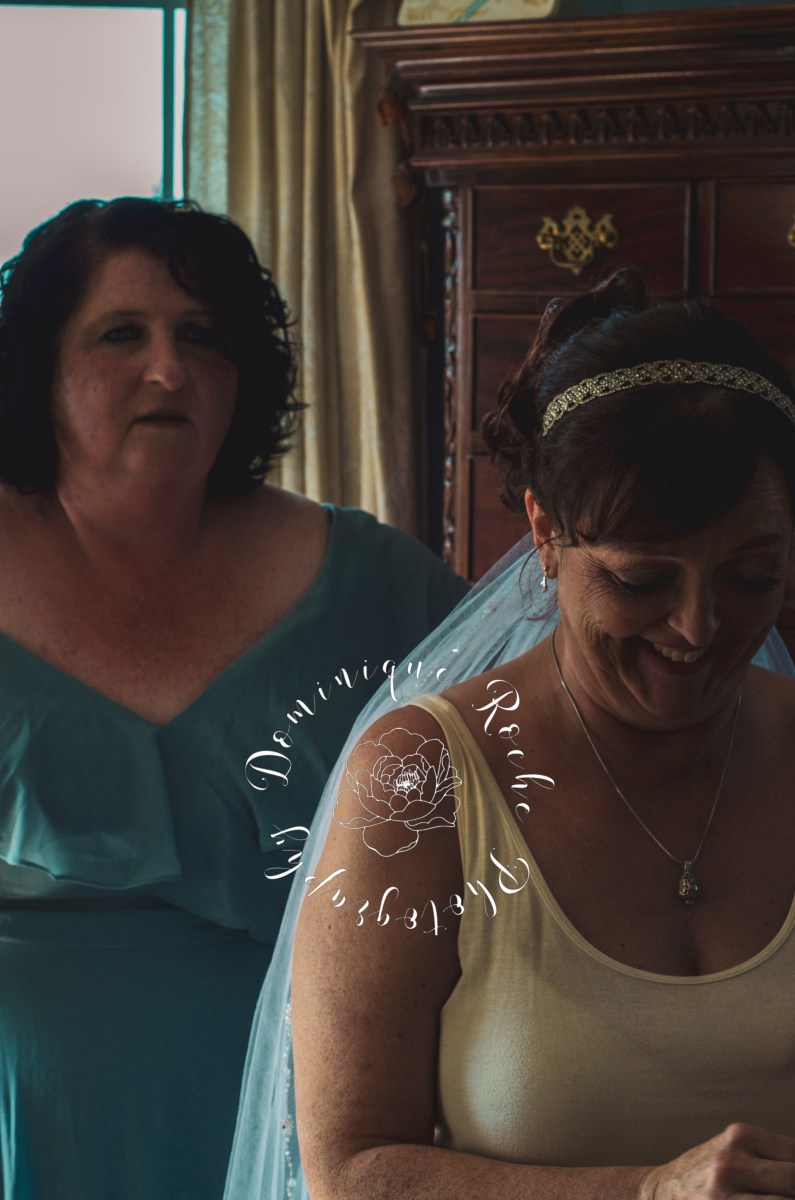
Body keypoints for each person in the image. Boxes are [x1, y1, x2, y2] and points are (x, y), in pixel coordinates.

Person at [224, 267, 795, 1200]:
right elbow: (349, 1169)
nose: (699, 627)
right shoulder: (420, 780)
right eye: (642, 580)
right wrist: (647, 1192)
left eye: (751, 575)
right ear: (544, 533)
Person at [0, 196, 469, 1200]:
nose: (169, 369)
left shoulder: (375, 582)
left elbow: (524, 778)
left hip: (308, 1099)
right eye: (121, 334)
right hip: (29, 1108)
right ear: (37, 367)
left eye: (202, 336)